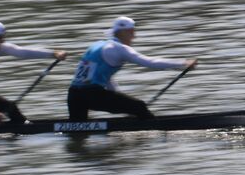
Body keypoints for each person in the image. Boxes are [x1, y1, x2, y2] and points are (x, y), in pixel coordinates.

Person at [67, 16, 196, 120]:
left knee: (78, 131)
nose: (134, 36)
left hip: (74, 95)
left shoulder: (97, 45)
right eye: (132, 32)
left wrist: (125, 106)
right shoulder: (119, 49)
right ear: (123, 32)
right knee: (139, 106)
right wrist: (182, 63)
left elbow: (105, 78)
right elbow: (151, 62)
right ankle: (156, 131)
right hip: (92, 95)